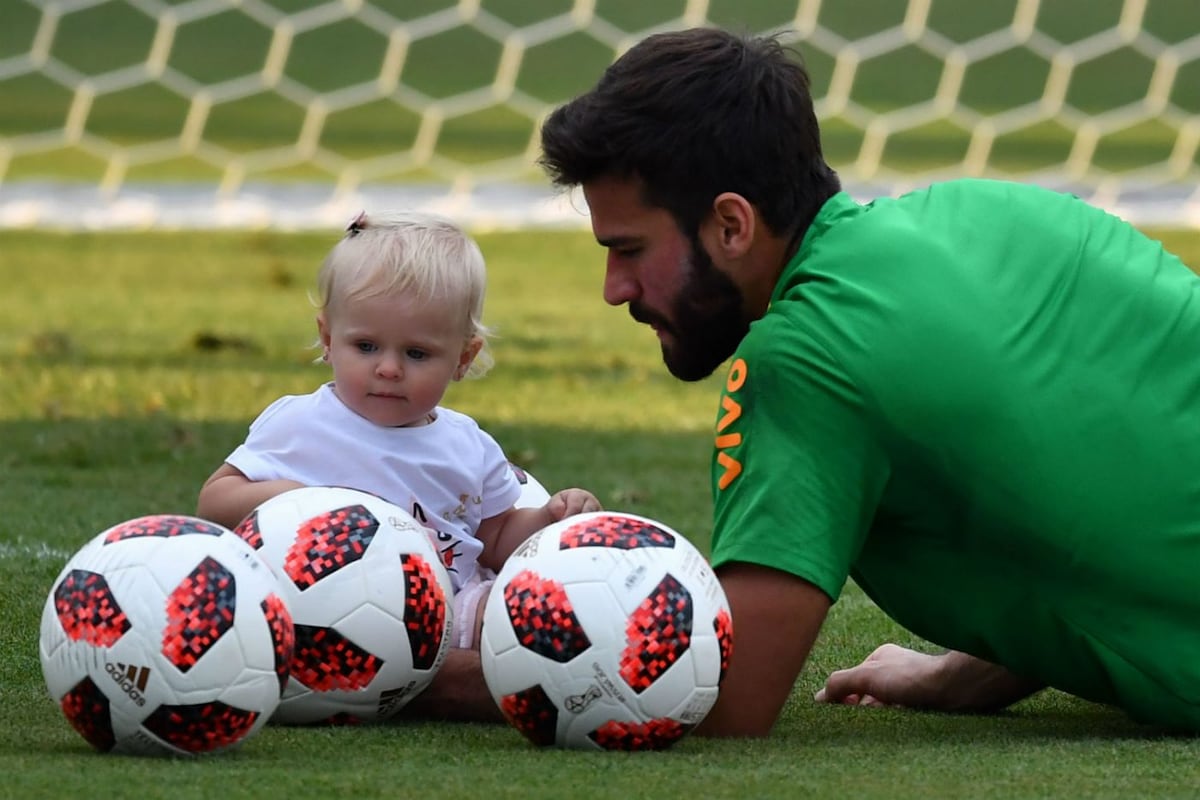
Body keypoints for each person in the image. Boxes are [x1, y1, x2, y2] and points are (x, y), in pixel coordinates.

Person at [535, 27, 1200, 737]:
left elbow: (721, 696)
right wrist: (966, 671)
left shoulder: (805, 358)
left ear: (732, 225)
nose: (614, 288)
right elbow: (1086, 487)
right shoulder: (994, 212)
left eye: (630, 249)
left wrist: (427, 668)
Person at [197, 210, 601, 679]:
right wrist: (292, 499)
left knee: (526, 605)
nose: (388, 369)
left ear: (462, 358)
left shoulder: (466, 446)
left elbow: (493, 539)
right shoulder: (301, 424)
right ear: (328, 338)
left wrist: (553, 520)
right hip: (322, 609)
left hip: (450, 615)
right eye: (366, 347)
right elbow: (214, 502)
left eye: (416, 353)